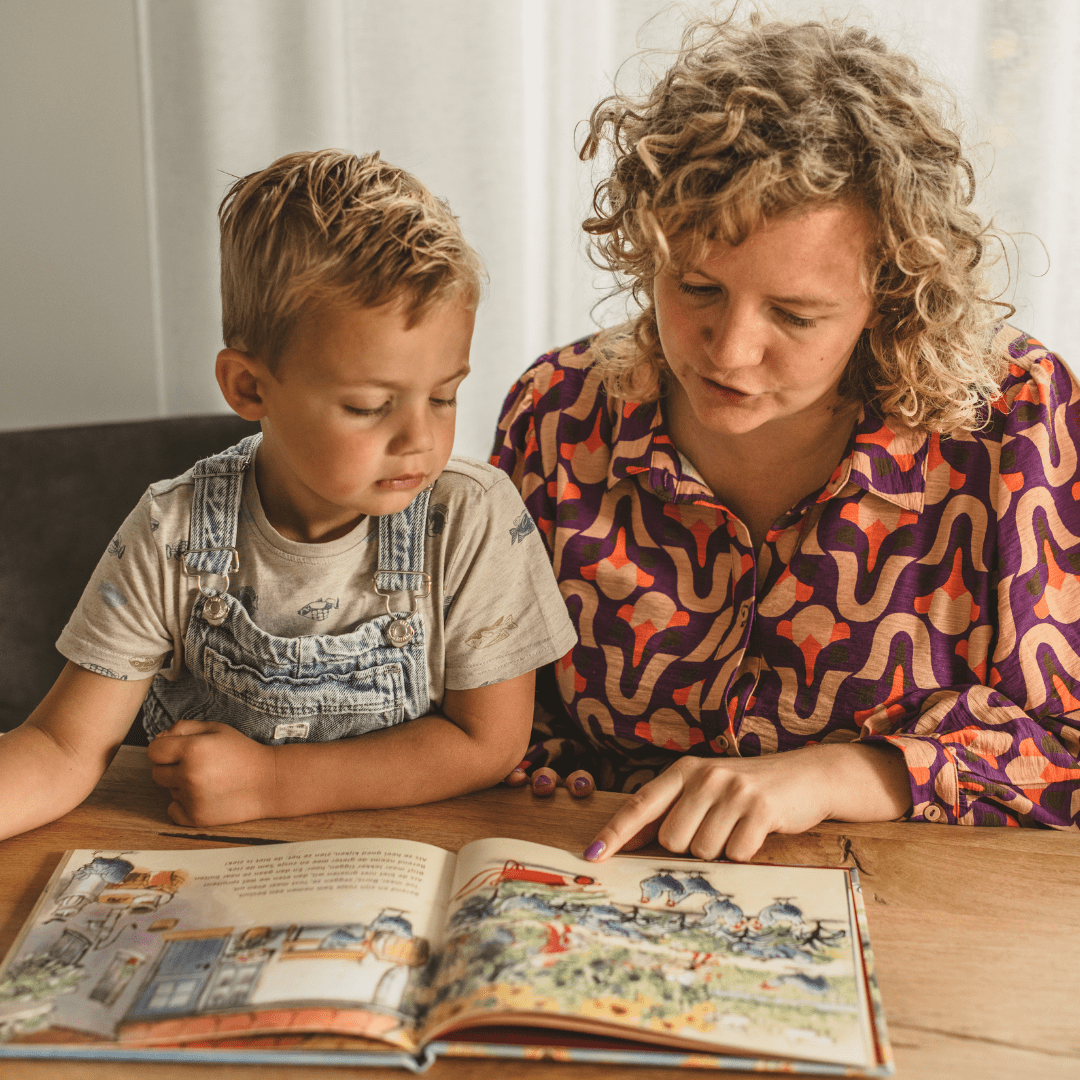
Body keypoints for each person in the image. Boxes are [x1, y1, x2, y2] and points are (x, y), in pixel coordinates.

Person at [492, 13, 1080, 862]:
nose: (729, 351)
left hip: (915, 904)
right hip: (600, 878)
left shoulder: (1013, 421)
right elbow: (498, 721)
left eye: (796, 315)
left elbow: (1067, 752)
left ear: (891, 297)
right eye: (696, 288)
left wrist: (844, 774)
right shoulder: (559, 414)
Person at [0, 149, 576, 839]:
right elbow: (61, 746)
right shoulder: (172, 532)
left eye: (444, 396)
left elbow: (489, 742)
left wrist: (274, 783)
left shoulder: (472, 518)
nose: (419, 439)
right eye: (369, 406)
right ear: (250, 387)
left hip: (401, 858)